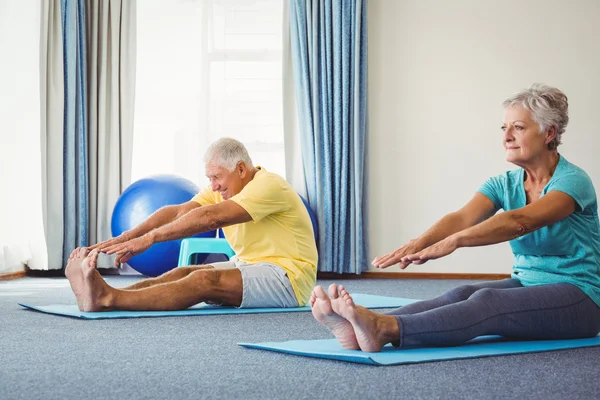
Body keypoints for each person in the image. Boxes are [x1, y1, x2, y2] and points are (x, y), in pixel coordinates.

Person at [311, 84, 600, 352]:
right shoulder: (504, 183)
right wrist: (421, 242)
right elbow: (463, 217)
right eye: (504, 127)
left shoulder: (573, 182)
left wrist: (456, 242)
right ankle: (359, 326)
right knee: (462, 292)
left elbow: (519, 221)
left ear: (549, 133)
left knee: (488, 302)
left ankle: (385, 329)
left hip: (581, 298)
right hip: (527, 282)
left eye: (518, 127)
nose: (506, 136)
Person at [66, 138, 318, 312]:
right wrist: (128, 236)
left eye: (217, 177)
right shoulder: (223, 190)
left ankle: (109, 299)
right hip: (251, 265)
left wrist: (150, 239)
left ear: (241, 169)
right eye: (210, 178)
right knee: (183, 272)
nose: (214, 186)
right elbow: (179, 211)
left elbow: (212, 218)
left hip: (289, 279)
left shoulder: (268, 185)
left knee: (204, 280)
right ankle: (104, 292)